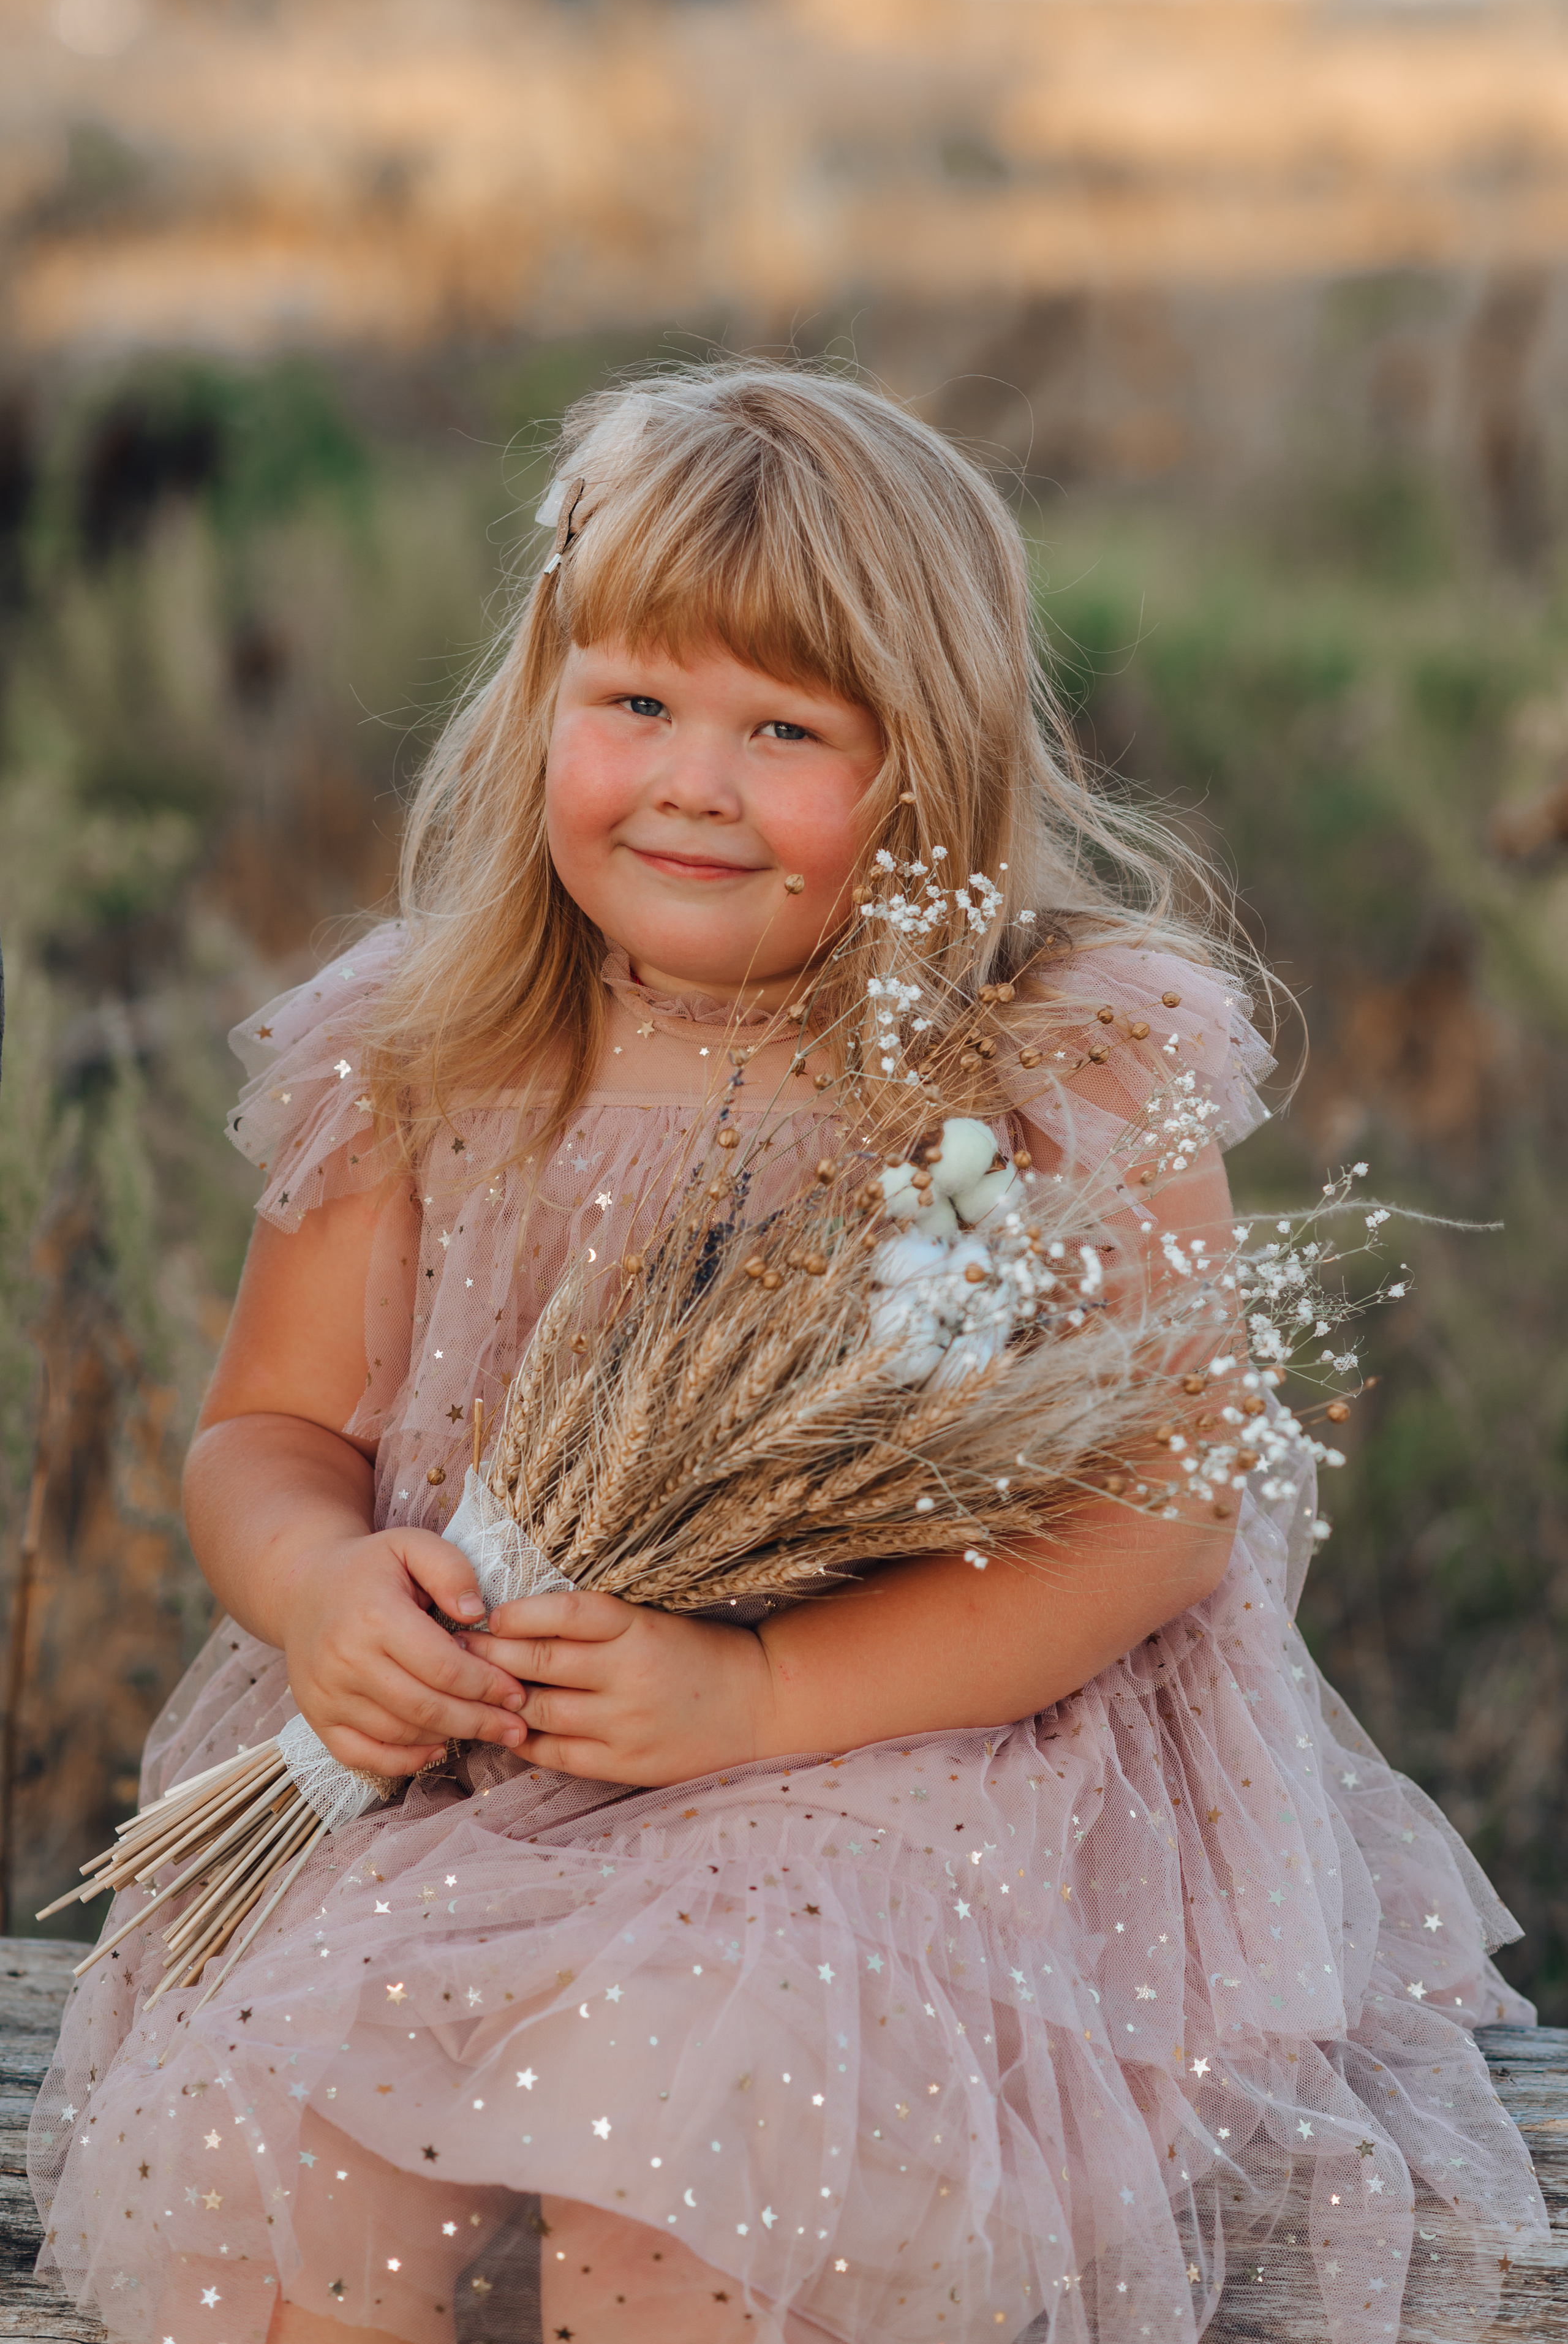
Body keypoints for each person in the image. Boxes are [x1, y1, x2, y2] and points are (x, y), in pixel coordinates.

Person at [31, 367, 1543, 2344]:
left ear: (930, 764)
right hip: (469, 1773)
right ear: (539, 704)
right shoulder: (429, 1046)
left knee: (712, 2097)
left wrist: (753, 1698)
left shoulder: (1049, 1058)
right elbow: (268, 1426)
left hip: (904, 1758)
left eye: (785, 730)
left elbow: (1161, 1521)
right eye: (636, 702)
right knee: (285, 2128)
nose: (690, 782)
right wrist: (322, 1584)